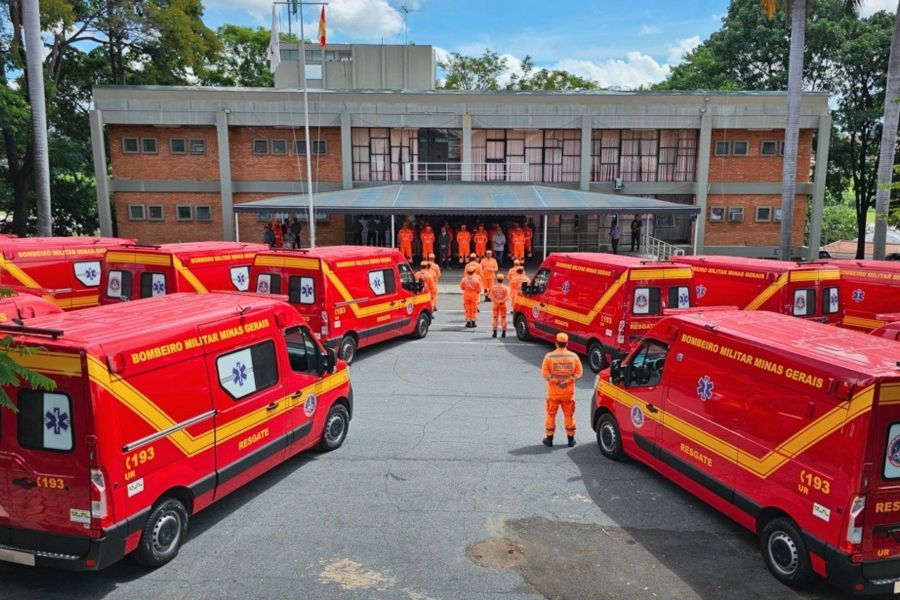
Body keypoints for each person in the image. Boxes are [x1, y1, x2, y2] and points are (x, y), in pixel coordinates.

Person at [541, 332, 583, 447]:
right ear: (567, 343)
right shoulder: (574, 357)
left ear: (556, 343)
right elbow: (579, 373)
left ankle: (549, 439)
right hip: (568, 393)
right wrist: (568, 381)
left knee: (551, 414)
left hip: (554, 393)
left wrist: (557, 381)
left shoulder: (549, 357)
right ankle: (571, 440)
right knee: (569, 415)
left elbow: (545, 374)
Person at [460, 264, 482, 328]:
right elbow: (479, 289)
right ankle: (473, 322)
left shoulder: (464, 279)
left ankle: (468, 322)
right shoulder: (476, 280)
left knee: (467, 309)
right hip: (474, 295)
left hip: (466, 295)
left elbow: (462, 287)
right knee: (473, 309)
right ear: (474, 272)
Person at [489, 273, 510, 338]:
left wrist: (496, 301)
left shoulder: (493, 287)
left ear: (497, 279)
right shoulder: (505, 288)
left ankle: (494, 332)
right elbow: (507, 297)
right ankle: (503, 332)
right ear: (503, 279)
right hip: (502, 304)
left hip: (495, 304)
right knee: (503, 318)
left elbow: (490, 296)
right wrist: (501, 301)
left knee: (495, 318)